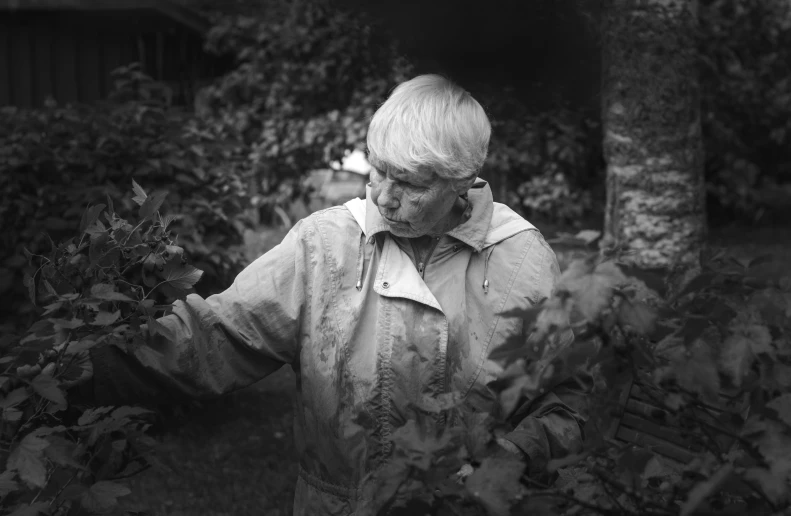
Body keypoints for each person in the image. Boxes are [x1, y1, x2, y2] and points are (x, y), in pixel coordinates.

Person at [81, 74, 587, 515]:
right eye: (378, 169)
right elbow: (221, 334)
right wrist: (95, 368)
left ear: (462, 182)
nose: (384, 196)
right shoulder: (325, 245)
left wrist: (514, 454)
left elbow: (569, 400)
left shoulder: (520, 261)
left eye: (409, 183)